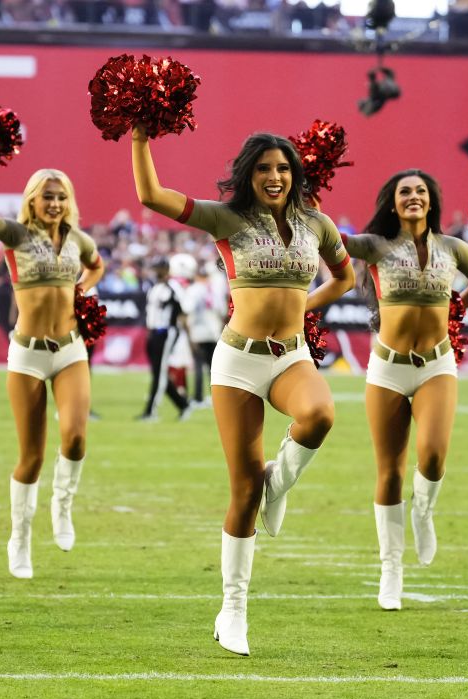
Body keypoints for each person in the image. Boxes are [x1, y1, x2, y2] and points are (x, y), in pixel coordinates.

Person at [131, 127, 355, 655]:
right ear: (248, 175)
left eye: (282, 168)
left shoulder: (316, 224)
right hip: (236, 364)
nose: (274, 177)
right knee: (241, 490)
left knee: (320, 414)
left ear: (294, 173)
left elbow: (346, 278)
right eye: (263, 169)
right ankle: (233, 609)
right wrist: (140, 138)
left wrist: (304, 307)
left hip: (290, 357)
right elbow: (152, 196)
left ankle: (279, 482)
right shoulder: (227, 219)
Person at [344, 169, 468, 610]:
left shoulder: (454, 249)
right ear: (392, 203)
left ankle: (424, 511)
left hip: (436, 365)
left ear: (432, 202)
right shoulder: (376, 245)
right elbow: (333, 239)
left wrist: (456, 306)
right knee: (389, 471)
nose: (413, 197)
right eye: (404, 192)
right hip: (387, 369)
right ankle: (392, 567)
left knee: (431, 455)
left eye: (420, 191)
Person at [0, 154, 104, 579]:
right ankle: (20, 537)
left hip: (69, 349)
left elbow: (97, 266)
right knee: (31, 457)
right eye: (47, 196)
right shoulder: (16, 235)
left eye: (61, 197)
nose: (55, 203)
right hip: (26, 353)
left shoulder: (78, 239)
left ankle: (62, 506)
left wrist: (84, 289)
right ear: (32, 200)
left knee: (76, 438)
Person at [137, 257, 193, 421]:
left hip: (166, 332)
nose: (156, 272)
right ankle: (183, 404)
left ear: (167, 270)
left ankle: (150, 411)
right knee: (158, 373)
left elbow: (185, 309)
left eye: (158, 268)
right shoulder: (154, 288)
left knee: (160, 373)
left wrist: (183, 332)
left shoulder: (174, 287)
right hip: (153, 332)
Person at [184, 262, 224, 408]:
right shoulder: (213, 289)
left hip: (197, 332)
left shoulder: (193, 289)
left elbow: (187, 309)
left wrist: (188, 331)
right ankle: (216, 398)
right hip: (213, 332)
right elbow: (221, 312)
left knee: (198, 365)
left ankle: (198, 397)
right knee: (213, 368)